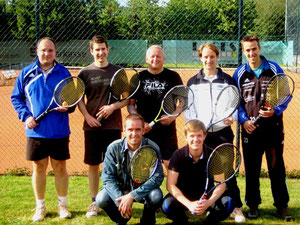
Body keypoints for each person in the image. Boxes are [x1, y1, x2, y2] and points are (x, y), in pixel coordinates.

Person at [11, 37, 73, 222]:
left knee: (60, 167)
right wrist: (26, 116)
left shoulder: (63, 72)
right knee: (38, 167)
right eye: (43, 50)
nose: (47, 53)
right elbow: (17, 98)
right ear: (37, 52)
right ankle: (40, 207)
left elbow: (72, 99)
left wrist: (68, 107)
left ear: (55, 52)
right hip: (35, 131)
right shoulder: (26, 73)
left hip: (59, 130)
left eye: (50, 50)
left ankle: (62, 205)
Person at [233, 35, 293, 221]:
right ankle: (252, 206)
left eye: (254, 49)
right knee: (251, 169)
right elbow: (236, 101)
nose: (251, 53)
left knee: (276, 167)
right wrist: (243, 120)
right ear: (243, 51)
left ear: (259, 48)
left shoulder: (274, 68)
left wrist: (275, 110)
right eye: (247, 50)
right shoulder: (239, 73)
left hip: (273, 129)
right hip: (250, 129)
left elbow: (285, 94)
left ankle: (282, 206)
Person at [184, 43, 245, 223]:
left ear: (217, 57)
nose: (209, 60)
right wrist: (197, 128)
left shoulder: (227, 80)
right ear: (200, 57)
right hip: (201, 135)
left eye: (212, 56)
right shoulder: (193, 82)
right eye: (205, 56)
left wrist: (231, 118)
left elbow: (235, 104)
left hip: (222, 132)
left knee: (225, 171)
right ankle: (211, 205)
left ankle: (235, 207)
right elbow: (189, 109)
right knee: (205, 171)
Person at [77, 35, 129, 218]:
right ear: (92, 51)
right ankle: (94, 202)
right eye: (96, 49)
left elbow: (126, 99)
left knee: (115, 165)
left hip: (113, 126)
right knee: (93, 165)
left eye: (103, 49)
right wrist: (87, 116)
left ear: (108, 49)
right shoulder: (84, 73)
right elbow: (79, 100)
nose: (100, 52)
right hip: (92, 127)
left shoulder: (118, 72)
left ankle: (115, 200)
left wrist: (112, 107)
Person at [161, 120, 234, 224]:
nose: (196, 139)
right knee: (167, 205)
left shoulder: (213, 155)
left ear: (204, 136)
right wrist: (189, 204)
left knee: (228, 203)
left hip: (207, 196)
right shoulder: (177, 155)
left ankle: (210, 220)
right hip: (184, 196)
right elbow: (171, 185)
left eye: (199, 136)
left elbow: (221, 185)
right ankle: (182, 220)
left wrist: (208, 203)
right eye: (192, 136)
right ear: (186, 137)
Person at [96, 114, 164, 225]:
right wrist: (121, 201)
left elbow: (157, 177)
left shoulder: (152, 147)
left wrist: (133, 196)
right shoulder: (113, 148)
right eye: (130, 129)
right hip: (121, 189)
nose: (134, 134)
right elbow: (107, 177)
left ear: (143, 130)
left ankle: (147, 221)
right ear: (124, 130)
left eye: (138, 129)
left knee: (156, 196)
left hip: (143, 189)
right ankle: (122, 219)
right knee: (101, 199)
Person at [127, 45, 183, 169]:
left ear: (163, 59)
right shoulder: (138, 78)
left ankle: (173, 189)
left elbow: (182, 102)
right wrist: (141, 122)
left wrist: (172, 116)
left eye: (159, 56)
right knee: (144, 165)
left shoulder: (173, 77)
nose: (155, 59)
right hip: (144, 130)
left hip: (167, 130)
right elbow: (130, 105)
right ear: (147, 59)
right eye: (152, 56)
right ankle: (146, 189)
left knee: (171, 165)